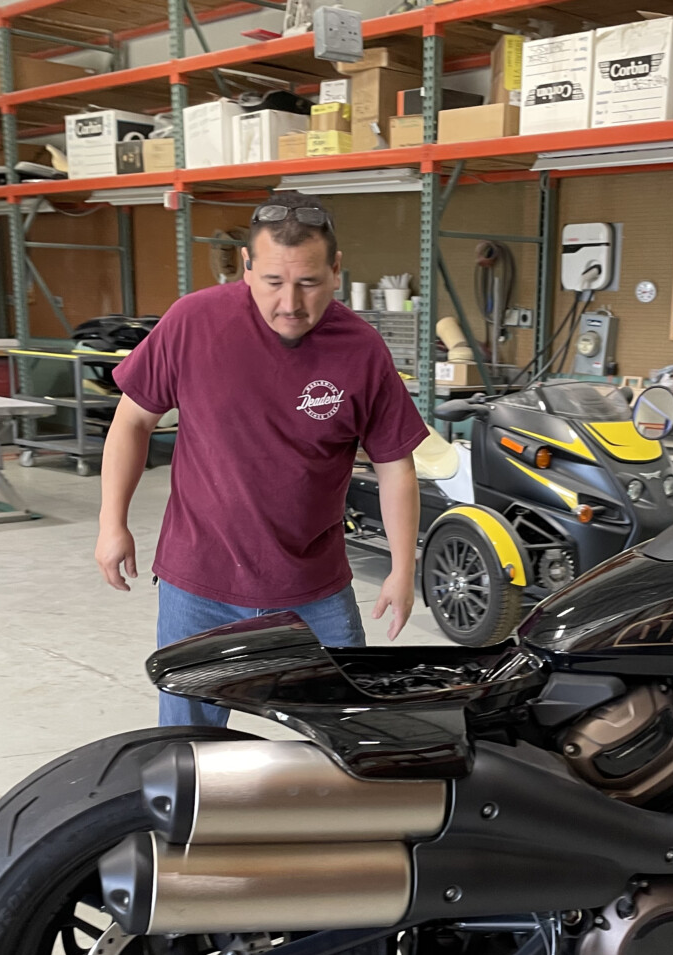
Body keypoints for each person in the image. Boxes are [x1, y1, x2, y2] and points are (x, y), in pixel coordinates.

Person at [95, 192, 427, 726]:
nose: (290, 303)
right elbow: (132, 420)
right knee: (188, 747)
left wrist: (402, 567)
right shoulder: (192, 323)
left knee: (353, 732)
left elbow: (395, 463)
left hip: (314, 591)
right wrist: (113, 523)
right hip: (198, 585)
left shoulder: (361, 349)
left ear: (336, 270)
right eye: (273, 281)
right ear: (247, 267)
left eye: (309, 282)